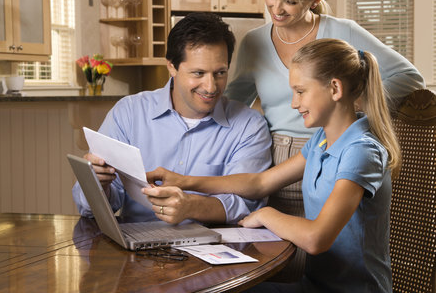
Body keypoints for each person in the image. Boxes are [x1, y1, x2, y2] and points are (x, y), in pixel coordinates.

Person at [224, 0, 424, 280]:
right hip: (281, 162)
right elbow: (232, 106)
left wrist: (355, 106)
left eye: (290, 0)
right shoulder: (254, 43)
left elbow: (409, 78)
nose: (277, 7)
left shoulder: (342, 32)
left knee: (330, 259)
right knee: (280, 269)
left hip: (331, 153)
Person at [146, 38, 401, 292]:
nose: (294, 103)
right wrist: (183, 180)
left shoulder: (361, 151)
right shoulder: (321, 141)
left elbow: (316, 239)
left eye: (300, 91)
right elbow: (260, 183)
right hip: (313, 286)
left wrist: (266, 215)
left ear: (335, 88)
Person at [72, 12, 272, 224]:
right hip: (137, 250)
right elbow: (89, 208)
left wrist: (190, 206)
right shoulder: (129, 113)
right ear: (171, 67)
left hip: (215, 249)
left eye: (220, 73)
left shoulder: (249, 126)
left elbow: (247, 205)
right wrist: (97, 182)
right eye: (198, 73)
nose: (211, 87)